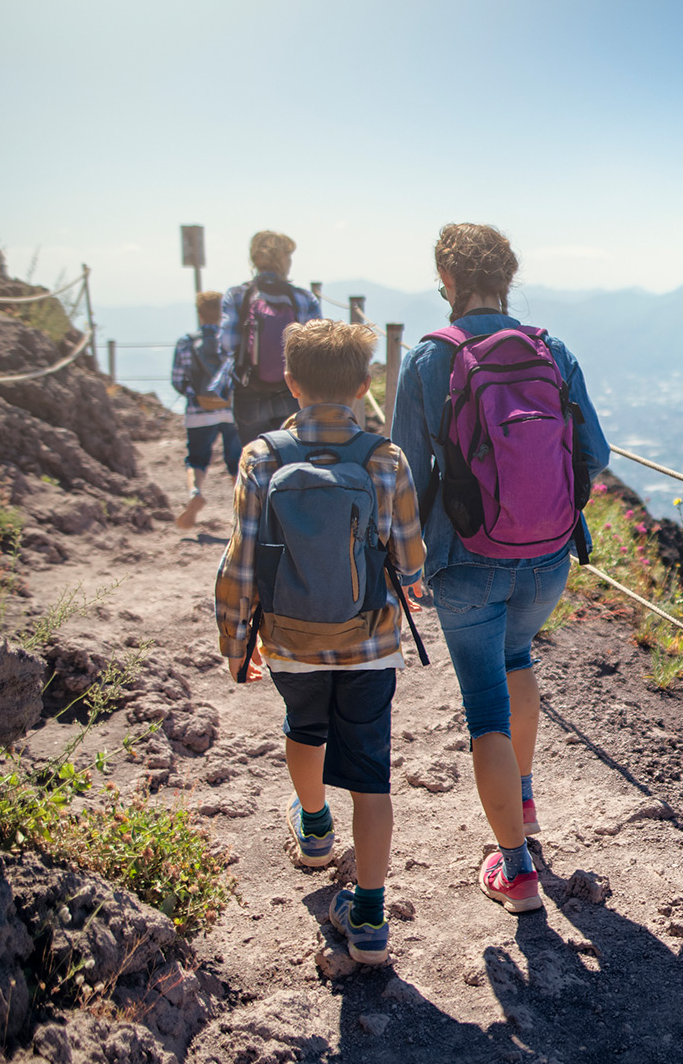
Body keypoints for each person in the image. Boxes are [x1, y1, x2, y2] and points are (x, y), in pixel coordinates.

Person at [391, 223, 609, 915]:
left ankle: (515, 871)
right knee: (519, 659)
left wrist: (408, 558)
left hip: (466, 560)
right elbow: (595, 453)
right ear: (507, 278)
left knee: (484, 704)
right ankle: (524, 798)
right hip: (547, 560)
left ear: (446, 279)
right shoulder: (552, 348)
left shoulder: (429, 359)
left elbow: (401, 473)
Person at [215, 318, 426, 965]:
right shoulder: (386, 460)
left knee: (303, 726)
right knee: (370, 772)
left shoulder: (261, 456)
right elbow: (412, 563)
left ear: (290, 379)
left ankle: (312, 829)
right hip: (369, 643)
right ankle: (368, 917)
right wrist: (405, 586)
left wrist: (236, 639)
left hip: (290, 636)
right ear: (366, 383)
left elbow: (241, 561)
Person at [220, 230, 324, 448]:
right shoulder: (303, 298)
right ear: (283, 260)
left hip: (248, 390)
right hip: (291, 391)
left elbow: (227, 344)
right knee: (292, 456)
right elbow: (318, 347)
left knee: (253, 457)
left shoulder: (237, 296)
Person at [170, 290, 240, 530]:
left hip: (198, 410)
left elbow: (178, 380)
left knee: (196, 458)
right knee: (237, 461)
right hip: (231, 410)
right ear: (223, 313)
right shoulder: (231, 340)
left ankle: (195, 492)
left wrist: (195, 396)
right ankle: (241, 509)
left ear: (199, 313)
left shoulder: (186, 342)